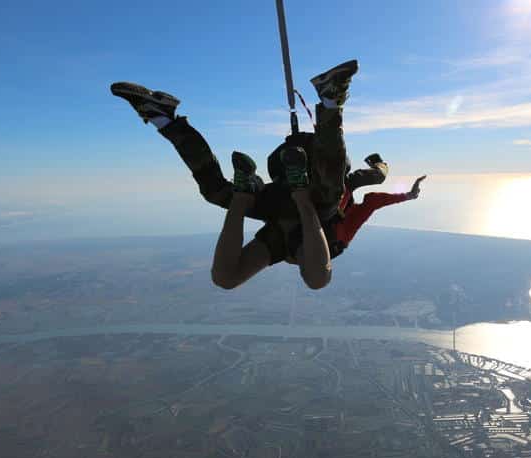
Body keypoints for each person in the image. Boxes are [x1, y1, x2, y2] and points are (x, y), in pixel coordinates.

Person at [111, 60, 391, 290]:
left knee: (225, 271)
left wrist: (240, 201)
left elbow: (364, 198)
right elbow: (358, 195)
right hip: (312, 193)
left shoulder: (280, 242)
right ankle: (331, 103)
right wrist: (307, 200)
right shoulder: (333, 238)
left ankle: (164, 119)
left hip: (288, 193)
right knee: (330, 197)